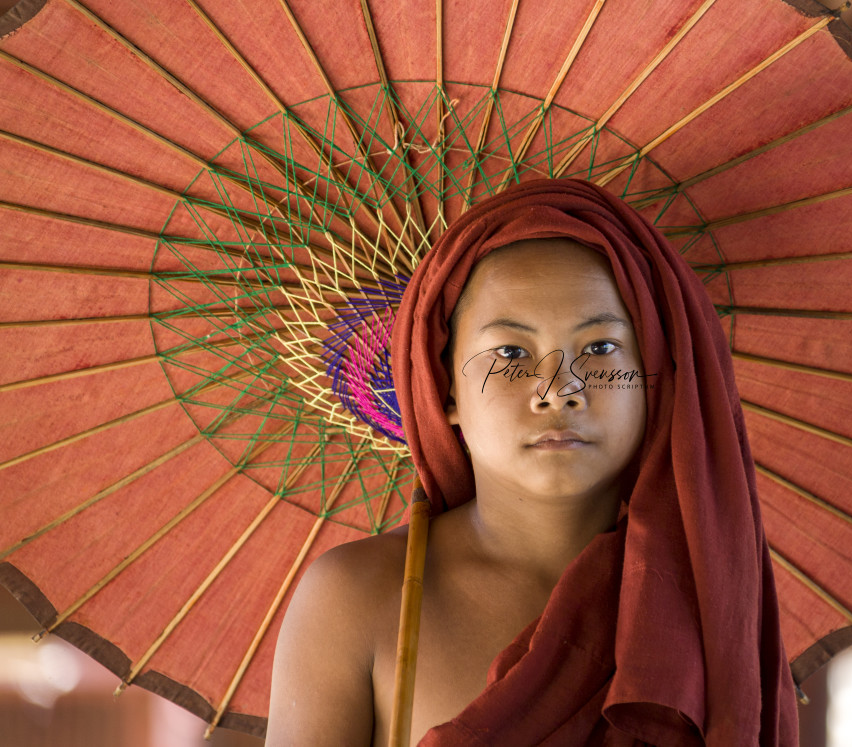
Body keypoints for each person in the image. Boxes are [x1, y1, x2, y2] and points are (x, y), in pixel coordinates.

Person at [265, 179, 799, 746]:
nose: (559, 389)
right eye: (511, 353)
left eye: (600, 348)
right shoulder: (362, 599)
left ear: (656, 381)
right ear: (445, 389)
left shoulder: (708, 606)